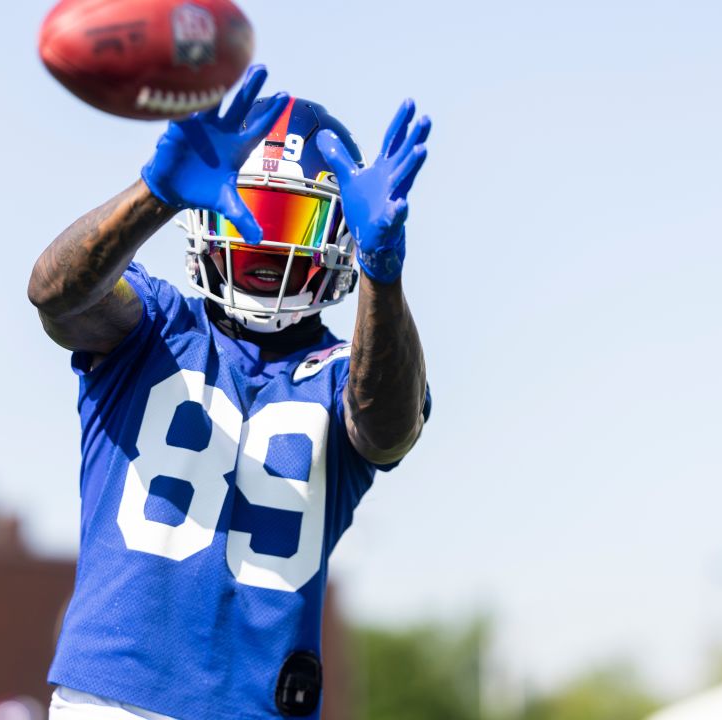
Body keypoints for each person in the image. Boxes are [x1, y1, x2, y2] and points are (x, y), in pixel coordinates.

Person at [27, 65, 431, 720]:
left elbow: (388, 426)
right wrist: (155, 192)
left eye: (292, 220)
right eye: (252, 212)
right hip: (114, 701)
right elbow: (56, 296)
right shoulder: (153, 323)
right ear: (209, 209)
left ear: (339, 234)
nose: (267, 240)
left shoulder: (343, 373)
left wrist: (383, 276)